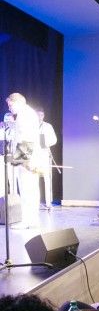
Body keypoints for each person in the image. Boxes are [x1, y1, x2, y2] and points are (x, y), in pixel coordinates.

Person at [5, 93, 42, 228]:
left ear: (18, 102)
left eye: (10, 105)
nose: (9, 108)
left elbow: (26, 138)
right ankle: (32, 220)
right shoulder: (27, 113)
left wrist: (21, 160)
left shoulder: (25, 115)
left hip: (27, 158)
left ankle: (28, 221)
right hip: (28, 156)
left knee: (27, 189)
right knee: (31, 189)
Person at [36, 108, 58, 210]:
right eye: (37, 115)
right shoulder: (31, 126)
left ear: (43, 116)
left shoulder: (48, 126)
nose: (39, 117)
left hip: (44, 155)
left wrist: (45, 142)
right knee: (34, 180)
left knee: (47, 179)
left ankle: (48, 202)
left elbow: (54, 139)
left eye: (41, 115)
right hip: (34, 156)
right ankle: (36, 202)